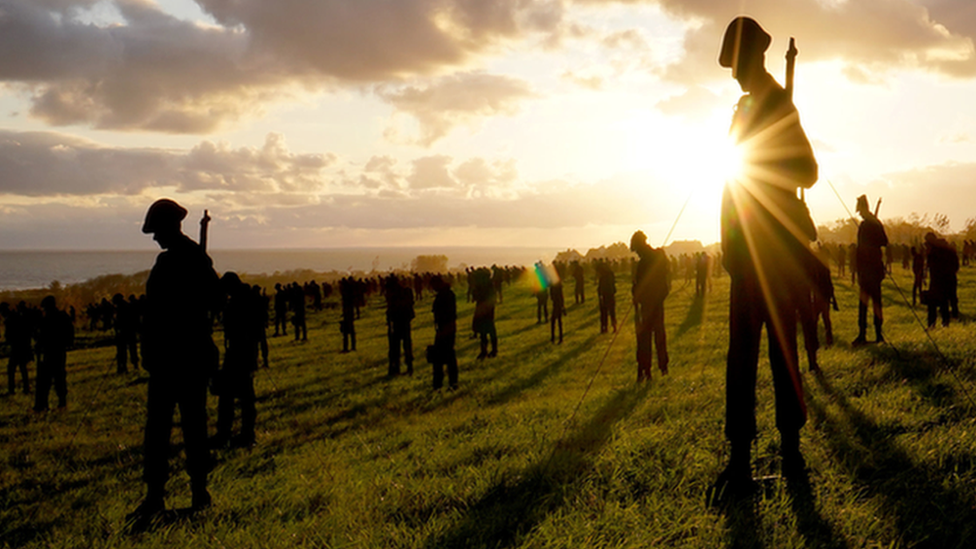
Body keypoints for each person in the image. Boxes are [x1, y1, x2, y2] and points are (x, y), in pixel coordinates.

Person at [713, 16, 819, 499]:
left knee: (782, 354)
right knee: (741, 359)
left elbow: (809, 172)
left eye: (735, 62)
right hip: (744, 256)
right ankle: (739, 462)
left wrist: (768, 161)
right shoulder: (745, 105)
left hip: (774, 255)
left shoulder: (777, 103)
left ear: (752, 58)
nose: (731, 72)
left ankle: (792, 454)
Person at [127, 198, 220, 526]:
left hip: (180, 357)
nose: (155, 238)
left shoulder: (186, 260)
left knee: (181, 428)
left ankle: (193, 493)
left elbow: (212, 300)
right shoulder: (193, 258)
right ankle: (164, 496)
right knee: (170, 428)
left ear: (170, 227)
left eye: (157, 231)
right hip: (175, 357)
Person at [212, 272, 260, 448]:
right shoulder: (243, 299)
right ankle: (232, 433)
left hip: (241, 353)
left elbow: (244, 329)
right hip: (239, 352)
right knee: (233, 397)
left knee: (238, 397)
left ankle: (242, 434)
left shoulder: (242, 302)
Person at [631, 231, 670, 381]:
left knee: (644, 338)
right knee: (660, 335)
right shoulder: (659, 255)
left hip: (648, 304)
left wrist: (635, 293)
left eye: (636, 250)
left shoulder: (644, 263)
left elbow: (640, 286)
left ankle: (645, 370)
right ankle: (663, 367)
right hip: (657, 303)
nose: (637, 253)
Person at [852, 195, 888, 346]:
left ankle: (875, 334)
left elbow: (884, 242)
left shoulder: (870, 224)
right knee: (867, 304)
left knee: (871, 304)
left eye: (860, 210)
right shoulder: (871, 223)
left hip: (870, 269)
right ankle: (865, 334)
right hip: (869, 269)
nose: (859, 213)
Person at [34, 296, 73, 411]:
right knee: (59, 377)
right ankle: (61, 402)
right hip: (59, 351)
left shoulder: (48, 319)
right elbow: (70, 332)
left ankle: (42, 405)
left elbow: (41, 335)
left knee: (45, 380)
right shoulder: (63, 316)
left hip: (50, 351)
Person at [924, 232, 959, 328]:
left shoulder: (934, 251)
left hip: (937, 280)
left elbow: (930, 265)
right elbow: (956, 265)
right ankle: (945, 323)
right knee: (944, 303)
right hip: (948, 278)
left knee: (932, 304)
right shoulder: (949, 250)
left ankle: (931, 325)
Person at [430, 275, 458, 390]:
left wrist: (444, 330)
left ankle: (448, 382)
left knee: (445, 357)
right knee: (442, 357)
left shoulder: (446, 295)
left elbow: (449, 313)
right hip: (444, 328)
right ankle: (442, 383)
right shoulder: (445, 294)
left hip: (447, 328)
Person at [385, 275, 415, 376]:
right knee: (406, 346)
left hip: (398, 322)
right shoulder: (406, 291)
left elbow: (391, 308)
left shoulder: (396, 294)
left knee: (395, 347)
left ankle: (395, 368)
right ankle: (408, 367)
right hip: (404, 322)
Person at [2, 302, 32, 395]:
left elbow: (10, 335)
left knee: (11, 369)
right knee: (22, 368)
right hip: (22, 346)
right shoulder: (15, 316)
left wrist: (6, 343)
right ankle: (25, 388)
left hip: (17, 347)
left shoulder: (10, 319)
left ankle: (12, 390)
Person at [597, 260, 617, 334]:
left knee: (604, 313)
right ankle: (614, 326)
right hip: (611, 295)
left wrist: (601, 295)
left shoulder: (603, 277)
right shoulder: (611, 274)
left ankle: (604, 328)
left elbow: (601, 287)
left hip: (605, 295)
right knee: (612, 312)